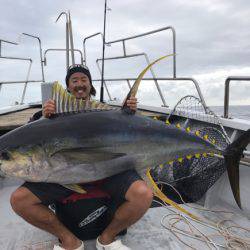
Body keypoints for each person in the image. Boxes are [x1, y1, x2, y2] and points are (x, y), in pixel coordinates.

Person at [10, 64, 153, 250]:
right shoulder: (52, 113)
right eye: (74, 80)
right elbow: (32, 134)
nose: (79, 84)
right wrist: (42, 117)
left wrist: (129, 112)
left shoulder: (105, 112)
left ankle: (107, 238)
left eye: (84, 80)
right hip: (61, 175)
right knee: (19, 200)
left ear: (90, 85)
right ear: (68, 87)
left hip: (107, 172)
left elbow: (122, 125)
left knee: (143, 194)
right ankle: (69, 240)